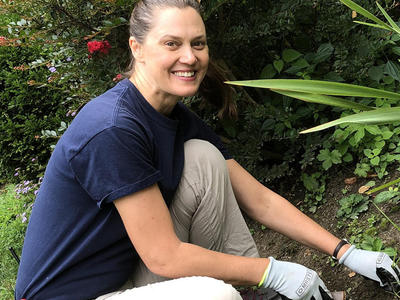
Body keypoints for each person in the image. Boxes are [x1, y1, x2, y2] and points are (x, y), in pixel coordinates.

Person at [15, 0, 400, 299]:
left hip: (125, 274)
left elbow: (259, 201)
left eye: (197, 43)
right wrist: (274, 269)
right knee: (215, 293)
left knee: (203, 158)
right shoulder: (113, 128)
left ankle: (256, 293)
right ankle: (253, 287)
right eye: (172, 43)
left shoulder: (174, 118)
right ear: (137, 48)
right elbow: (163, 257)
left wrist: (345, 252)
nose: (190, 57)